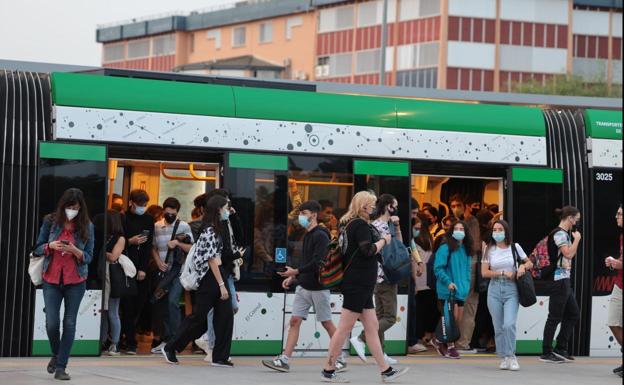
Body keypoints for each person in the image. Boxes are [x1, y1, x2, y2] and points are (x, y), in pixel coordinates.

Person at [321, 191, 408, 383]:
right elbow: (367, 250)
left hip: (362, 284)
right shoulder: (359, 225)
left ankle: (386, 371)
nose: (374, 207)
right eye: (372, 204)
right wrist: (384, 241)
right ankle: (328, 369)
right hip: (357, 284)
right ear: (363, 206)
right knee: (344, 328)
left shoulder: (351, 224)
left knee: (372, 326)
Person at [262, 200, 346, 373]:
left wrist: (295, 272)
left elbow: (318, 263)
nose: (301, 216)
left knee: (326, 323)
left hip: (319, 288)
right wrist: (294, 278)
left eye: (304, 213)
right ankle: (285, 360)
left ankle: (340, 358)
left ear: (314, 215)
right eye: (300, 213)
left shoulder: (321, 235)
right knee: (294, 321)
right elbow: (306, 261)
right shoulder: (307, 234)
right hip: (304, 286)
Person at [162, 195, 234, 367]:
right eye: (225, 208)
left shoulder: (218, 227)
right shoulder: (210, 230)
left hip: (217, 274)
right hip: (210, 277)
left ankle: (220, 356)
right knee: (198, 318)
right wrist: (222, 285)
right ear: (218, 209)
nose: (227, 211)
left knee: (225, 316)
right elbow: (211, 259)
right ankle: (171, 347)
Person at [33, 188, 94, 380]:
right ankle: (56, 353)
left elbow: (89, 257)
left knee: (69, 323)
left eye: (75, 207)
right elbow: (37, 248)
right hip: (51, 279)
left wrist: (76, 251)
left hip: (75, 281)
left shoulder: (87, 226)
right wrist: (49, 246)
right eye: (69, 207)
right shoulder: (50, 222)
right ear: (63, 206)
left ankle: (61, 367)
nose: (71, 210)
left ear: (80, 207)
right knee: (51, 323)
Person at [193, 189, 244, 362]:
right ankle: (210, 344)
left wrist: (234, 217)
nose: (228, 207)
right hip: (218, 272)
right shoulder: (211, 228)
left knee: (227, 308)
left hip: (226, 270)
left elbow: (240, 238)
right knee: (216, 310)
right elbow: (214, 257)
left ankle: (210, 343)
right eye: (225, 204)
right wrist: (222, 283)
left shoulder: (226, 221)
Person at [351, 194, 401, 365]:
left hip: (377, 277)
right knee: (390, 317)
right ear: (388, 206)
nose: (396, 209)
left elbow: (399, 245)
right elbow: (396, 249)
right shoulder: (381, 226)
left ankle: (381, 353)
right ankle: (361, 338)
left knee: (379, 316)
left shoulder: (381, 225)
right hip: (386, 276)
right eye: (394, 205)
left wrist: (396, 225)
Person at [481, 220, 533, 371]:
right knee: (498, 327)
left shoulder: (515, 247)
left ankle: (511, 356)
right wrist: (503, 272)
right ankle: (503, 357)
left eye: (500, 229)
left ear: (506, 231)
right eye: (494, 230)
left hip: (511, 289)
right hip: (494, 289)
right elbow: (484, 272)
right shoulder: (488, 249)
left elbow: (529, 262)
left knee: (509, 324)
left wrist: (523, 266)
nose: (497, 232)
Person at [150, 197, 194, 354]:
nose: (170, 215)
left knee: (173, 302)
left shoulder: (183, 226)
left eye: (172, 213)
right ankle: (166, 338)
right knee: (160, 305)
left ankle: (175, 339)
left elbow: (191, 248)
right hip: (162, 272)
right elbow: (153, 247)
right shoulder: (157, 226)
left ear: (177, 212)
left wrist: (177, 243)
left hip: (178, 271)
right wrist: (158, 262)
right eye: (167, 212)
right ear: (164, 211)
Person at [539, 206, 582, 364]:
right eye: (575, 220)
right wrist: (577, 239)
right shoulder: (560, 234)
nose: (576, 223)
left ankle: (560, 347)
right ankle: (546, 351)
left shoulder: (563, 234)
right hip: (558, 281)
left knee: (573, 313)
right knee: (555, 316)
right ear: (570, 218)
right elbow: (569, 254)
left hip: (564, 280)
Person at [431, 220, 474, 359]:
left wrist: (466, 286)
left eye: (462, 228)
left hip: (461, 290)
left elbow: (467, 271)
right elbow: (438, 268)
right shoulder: (445, 247)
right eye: (456, 228)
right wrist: (448, 282)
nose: (459, 231)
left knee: (457, 320)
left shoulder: (467, 249)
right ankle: (450, 347)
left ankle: (437, 340)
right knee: (451, 318)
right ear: (451, 231)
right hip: (447, 289)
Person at [120, 189, 154, 355]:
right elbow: (116, 241)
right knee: (126, 306)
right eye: (140, 205)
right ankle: (129, 342)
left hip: (141, 269)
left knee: (139, 306)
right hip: (125, 267)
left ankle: (131, 337)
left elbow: (148, 246)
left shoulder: (149, 219)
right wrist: (130, 241)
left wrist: (143, 269)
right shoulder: (123, 218)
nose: (143, 208)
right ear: (131, 202)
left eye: (145, 205)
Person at [407, 215, 437, 354]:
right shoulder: (429, 240)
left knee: (417, 311)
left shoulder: (413, 242)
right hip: (429, 281)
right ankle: (425, 335)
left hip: (418, 280)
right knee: (427, 310)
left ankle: (416, 337)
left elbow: (413, 262)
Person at [102, 210, 127, 356]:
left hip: (112, 277)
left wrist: (101, 252)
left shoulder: (120, 238)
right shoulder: (105, 236)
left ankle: (115, 343)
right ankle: (104, 340)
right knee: (104, 312)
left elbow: (113, 257)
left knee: (112, 311)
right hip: (104, 276)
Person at [605, 204, 623, 377]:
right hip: (620, 285)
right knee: (613, 322)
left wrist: (618, 264)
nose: (616, 216)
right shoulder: (622, 236)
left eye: (619, 214)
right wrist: (614, 262)